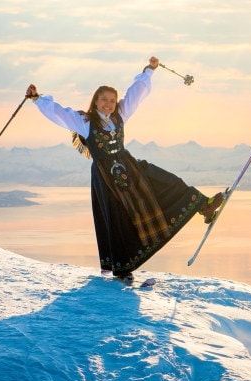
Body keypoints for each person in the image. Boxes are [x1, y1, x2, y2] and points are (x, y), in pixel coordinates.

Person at [25, 56, 224, 281]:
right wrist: (37, 99)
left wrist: (149, 70)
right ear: (95, 101)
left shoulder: (119, 116)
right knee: (117, 217)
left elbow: (136, 94)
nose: (108, 104)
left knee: (164, 181)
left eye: (112, 100)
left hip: (129, 166)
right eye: (104, 100)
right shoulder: (85, 122)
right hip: (104, 177)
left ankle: (203, 206)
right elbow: (59, 112)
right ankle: (122, 267)